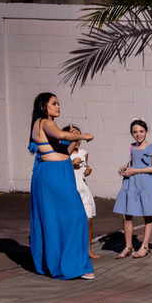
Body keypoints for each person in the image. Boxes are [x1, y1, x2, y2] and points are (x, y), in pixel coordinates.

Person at [27, 93, 95, 280]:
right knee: (75, 217)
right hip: (53, 174)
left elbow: (64, 152)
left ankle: (62, 263)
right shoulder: (44, 122)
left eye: (58, 103)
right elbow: (59, 135)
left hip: (59, 172)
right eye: (54, 103)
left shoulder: (45, 124)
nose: (58, 106)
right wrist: (83, 136)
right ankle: (72, 266)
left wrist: (74, 139)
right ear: (44, 106)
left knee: (59, 220)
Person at [114, 119, 152, 259]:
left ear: (146, 131)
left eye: (141, 131)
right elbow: (133, 162)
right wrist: (125, 166)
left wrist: (135, 171)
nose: (138, 134)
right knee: (126, 214)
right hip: (131, 183)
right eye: (135, 132)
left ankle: (144, 246)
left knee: (147, 214)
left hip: (146, 183)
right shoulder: (132, 147)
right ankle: (128, 246)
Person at [66, 125, 100, 259]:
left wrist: (88, 170)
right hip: (70, 191)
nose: (77, 140)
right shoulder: (63, 154)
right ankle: (72, 251)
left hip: (83, 189)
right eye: (74, 137)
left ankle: (88, 249)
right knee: (71, 222)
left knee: (88, 220)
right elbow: (59, 171)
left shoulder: (84, 153)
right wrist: (70, 164)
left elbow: (83, 170)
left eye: (79, 137)